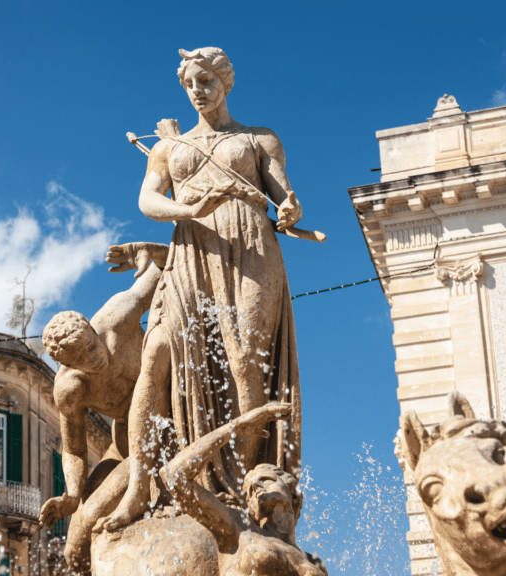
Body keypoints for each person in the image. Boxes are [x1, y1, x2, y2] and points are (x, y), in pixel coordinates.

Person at [98, 47, 303, 533]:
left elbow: (284, 195)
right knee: (159, 354)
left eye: (206, 80)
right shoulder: (171, 148)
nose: (198, 90)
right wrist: (187, 212)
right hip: (192, 250)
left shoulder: (259, 138)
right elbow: (148, 198)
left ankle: (243, 486)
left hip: (252, 248)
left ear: (225, 83)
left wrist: (290, 208)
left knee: (246, 363)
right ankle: (139, 487)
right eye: (190, 82)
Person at [39, 242, 168, 569]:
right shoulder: (70, 390)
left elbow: (168, 265)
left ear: (91, 328)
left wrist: (145, 253)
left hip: (171, 413)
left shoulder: (119, 314)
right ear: (65, 364)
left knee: (90, 518)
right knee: (80, 527)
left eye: (90, 345)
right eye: (79, 358)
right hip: (126, 438)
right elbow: (74, 449)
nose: (92, 358)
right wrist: (70, 494)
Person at [158, 403, 327, 576]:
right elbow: (173, 475)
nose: (255, 487)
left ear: (294, 496)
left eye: (266, 480)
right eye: (249, 493)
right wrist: (236, 426)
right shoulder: (238, 528)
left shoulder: (314, 563)